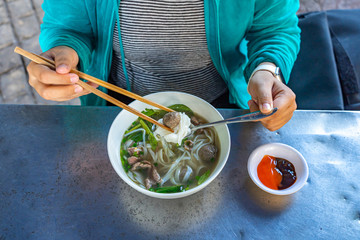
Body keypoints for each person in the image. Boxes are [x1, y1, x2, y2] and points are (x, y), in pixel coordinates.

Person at [27, 0, 300, 131]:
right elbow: (68, 26)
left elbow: (274, 28)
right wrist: (64, 53)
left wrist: (267, 70)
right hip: (119, 100)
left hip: (220, 104)